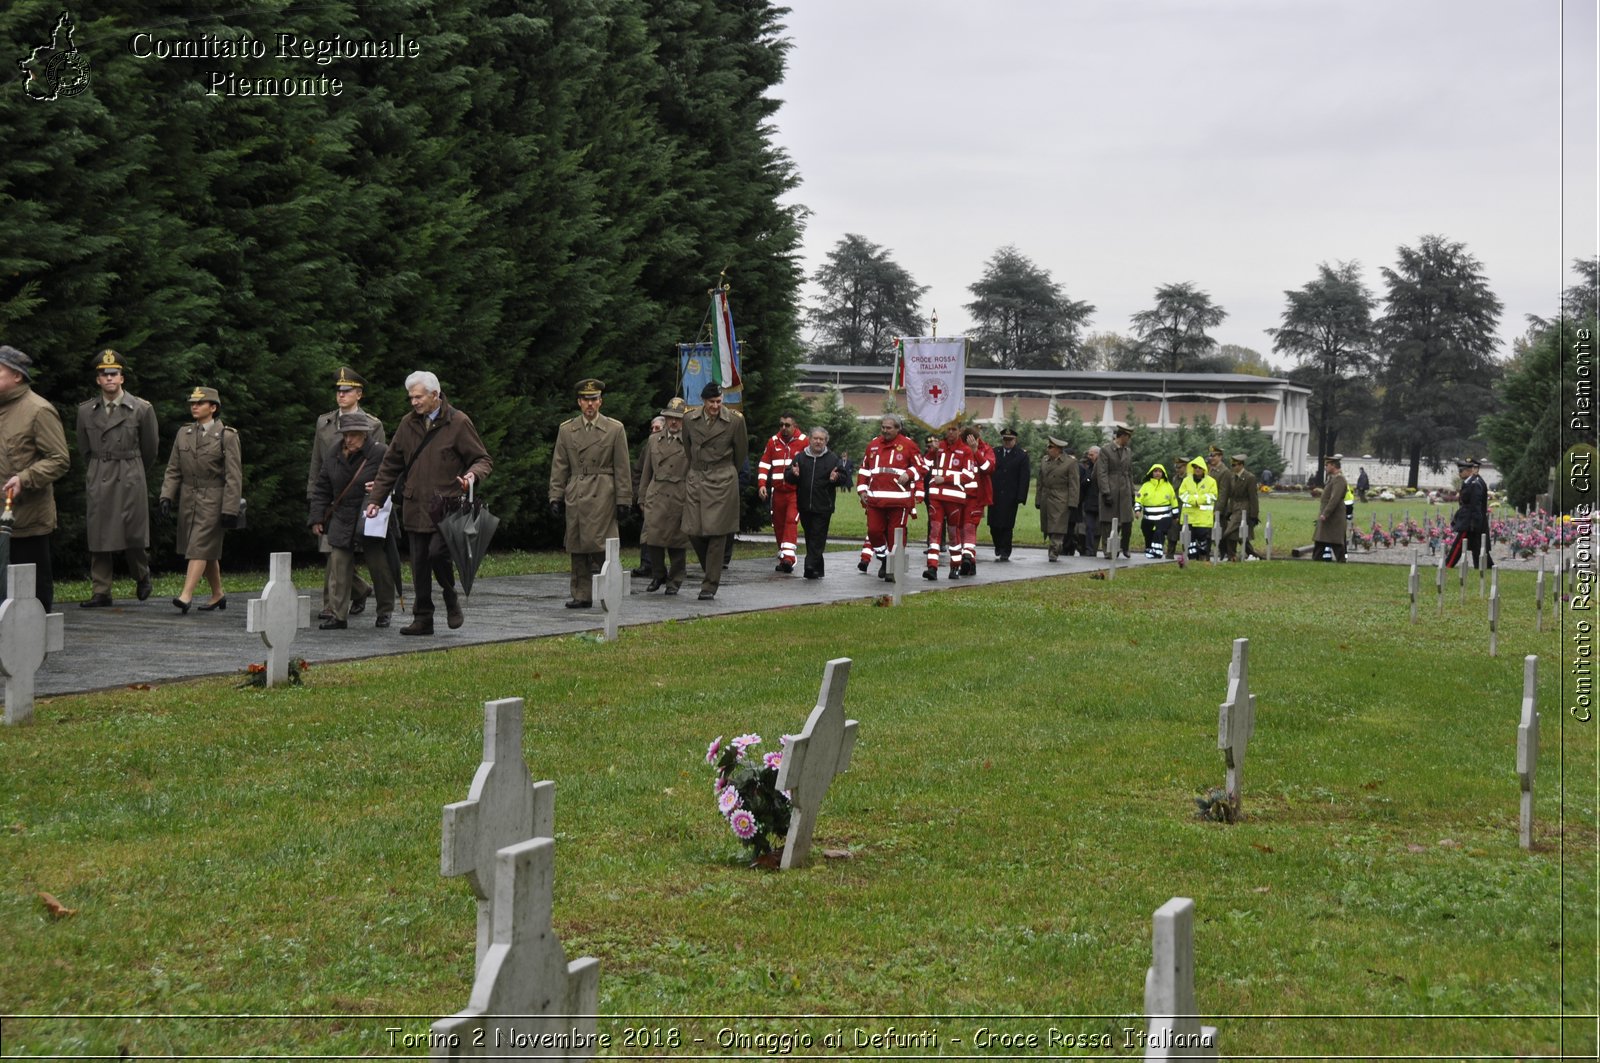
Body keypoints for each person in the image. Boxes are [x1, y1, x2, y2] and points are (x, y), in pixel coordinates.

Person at [365, 371, 493, 635]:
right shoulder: (407, 424)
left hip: (446, 507)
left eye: (418, 396)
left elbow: (483, 460)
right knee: (420, 563)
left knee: (437, 553)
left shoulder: (458, 422)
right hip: (414, 505)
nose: (413, 402)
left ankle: (450, 595)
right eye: (411, 397)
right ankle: (423, 618)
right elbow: (390, 465)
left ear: (435, 395)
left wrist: (471, 475)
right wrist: (376, 499)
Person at [76, 349, 158, 607]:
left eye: (114, 373)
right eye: (104, 374)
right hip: (100, 470)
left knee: (133, 534)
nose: (109, 378)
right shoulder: (86, 411)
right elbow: (84, 448)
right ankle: (101, 591)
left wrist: (133, 468)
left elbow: (150, 448)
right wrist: (96, 470)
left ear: (122, 378)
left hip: (130, 472)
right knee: (99, 533)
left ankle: (142, 575)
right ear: (98, 379)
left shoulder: (141, 409)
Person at [308, 367, 386, 620]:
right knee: (332, 551)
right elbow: (317, 463)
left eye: (347, 390)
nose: (341, 395)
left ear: (359, 394)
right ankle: (354, 592)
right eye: (338, 391)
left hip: (359, 499)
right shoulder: (325, 422)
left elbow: (381, 465)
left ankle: (333, 604)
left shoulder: (373, 425)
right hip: (330, 496)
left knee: (339, 553)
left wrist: (377, 496)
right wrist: (314, 499)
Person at [547, 378, 631, 609]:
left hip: (603, 492)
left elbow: (622, 468)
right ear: (579, 402)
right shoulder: (567, 430)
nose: (590, 404)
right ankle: (581, 593)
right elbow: (559, 465)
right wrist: (555, 495)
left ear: (601, 401)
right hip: (577, 490)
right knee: (577, 544)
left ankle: (609, 593)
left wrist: (624, 500)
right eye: (586, 400)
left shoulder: (615, 429)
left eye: (594, 399)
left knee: (602, 547)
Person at [159, 386, 242, 613]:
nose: (194, 406)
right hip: (189, 498)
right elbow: (174, 468)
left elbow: (234, 476)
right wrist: (167, 495)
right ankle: (217, 594)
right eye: (192, 403)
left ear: (213, 408)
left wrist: (230, 509)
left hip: (214, 498)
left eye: (200, 403)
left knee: (198, 547)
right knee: (206, 550)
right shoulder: (184, 433)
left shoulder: (227, 436)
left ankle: (186, 596)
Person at [0, 345, 70, 611]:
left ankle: (35, 645)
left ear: (17, 376)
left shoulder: (38, 410)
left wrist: (25, 478)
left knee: (32, 596)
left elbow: (60, 459)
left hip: (27, 520)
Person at [681, 381, 747, 600]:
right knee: (692, 530)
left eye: (719, 401)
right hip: (697, 477)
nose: (716, 406)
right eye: (712, 402)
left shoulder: (735, 422)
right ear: (703, 401)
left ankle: (709, 585)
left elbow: (740, 454)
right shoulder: (689, 419)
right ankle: (710, 568)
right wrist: (698, 470)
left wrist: (726, 473)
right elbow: (688, 449)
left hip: (722, 480)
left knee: (717, 534)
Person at [856, 414, 922, 579]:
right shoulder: (872, 445)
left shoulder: (908, 445)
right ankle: (884, 559)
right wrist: (862, 490)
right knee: (874, 532)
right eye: (883, 427)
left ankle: (892, 570)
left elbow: (921, 467)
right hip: (875, 500)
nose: (885, 430)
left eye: (889, 428)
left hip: (898, 502)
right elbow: (864, 470)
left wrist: (909, 473)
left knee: (895, 536)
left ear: (898, 429)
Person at [638, 399, 689, 594]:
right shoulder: (654, 440)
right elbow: (646, 471)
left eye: (677, 418)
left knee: (677, 542)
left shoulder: (689, 441)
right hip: (656, 494)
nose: (673, 422)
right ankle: (658, 574)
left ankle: (674, 581)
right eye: (670, 418)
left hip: (679, 495)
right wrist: (642, 497)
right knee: (652, 539)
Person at [784, 425, 847, 579]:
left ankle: (809, 566)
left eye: (821, 439)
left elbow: (845, 478)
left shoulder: (832, 459)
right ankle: (818, 569)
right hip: (804, 504)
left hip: (823, 505)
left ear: (826, 441)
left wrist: (836, 478)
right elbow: (788, 476)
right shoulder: (800, 457)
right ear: (810, 440)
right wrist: (794, 474)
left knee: (818, 536)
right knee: (811, 536)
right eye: (815, 438)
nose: (818, 442)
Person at [756, 411, 807, 573]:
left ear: (795, 426)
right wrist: (761, 484)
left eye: (787, 425)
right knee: (778, 525)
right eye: (781, 425)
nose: (783, 428)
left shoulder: (804, 441)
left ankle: (789, 558)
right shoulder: (773, 441)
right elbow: (764, 464)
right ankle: (783, 556)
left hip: (795, 492)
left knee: (791, 522)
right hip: (777, 492)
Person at [923, 423, 974, 580]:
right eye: (948, 429)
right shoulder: (939, 448)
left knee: (953, 533)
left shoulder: (965, 451)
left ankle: (955, 566)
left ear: (959, 431)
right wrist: (932, 451)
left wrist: (946, 479)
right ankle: (932, 566)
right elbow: (924, 466)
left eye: (954, 429)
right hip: (936, 497)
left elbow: (968, 476)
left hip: (954, 498)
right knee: (935, 531)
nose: (950, 433)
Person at [988, 427, 1029, 561]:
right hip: (994, 494)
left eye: (1010, 440)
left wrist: (1021, 496)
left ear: (1015, 440)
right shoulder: (995, 452)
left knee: (1007, 525)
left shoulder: (1021, 455)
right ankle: (998, 545)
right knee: (993, 524)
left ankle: (1005, 550)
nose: (1007, 442)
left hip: (1010, 496)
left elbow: (1024, 478)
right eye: (1005, 439)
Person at [1035, 437, 1078, 561]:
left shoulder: (1070, 463)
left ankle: (1054, 550)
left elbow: (1074, 484)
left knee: (1057, 527)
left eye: (1050, 447)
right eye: (1048, 447)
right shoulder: (1044, 461)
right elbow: (1040, 482)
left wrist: (1073, 503)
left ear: (1058, 449)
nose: (1048, 449)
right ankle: (1053, 547)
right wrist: (1038, 499)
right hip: (1046, 498)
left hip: (1061, 499)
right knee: (1049, 526)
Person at [1446, 457, 1494, 569]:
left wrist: (1473, 523)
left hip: (1470, 521)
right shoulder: (1469, 482)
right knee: (1477, 546)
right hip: (1469, 520)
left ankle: (1448, 564)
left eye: (1461, 471)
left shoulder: (1475, 484)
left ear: (1468, 471)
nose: (1459, 473)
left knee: (1458, 545)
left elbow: (1475, 506)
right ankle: (1486, 566)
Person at [1095, 424, 1135, 558]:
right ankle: (1109, 549)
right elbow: (1102, 473)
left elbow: (1129, 473)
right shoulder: (1106, 450)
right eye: (1127, 437)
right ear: (1122, 436)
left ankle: (1124, 547)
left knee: (1126, 521)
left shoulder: (1127, 451)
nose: (1128, 440)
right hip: (1111, 489)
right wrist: (1106, 492)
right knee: (1108, 522)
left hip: (1125, 490)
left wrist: (1132, 492)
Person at [960, 425, 995, 573]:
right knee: (960, 528)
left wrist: (975, 452)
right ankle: (969, 561)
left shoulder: (985, 449)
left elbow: (989, 468)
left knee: (970, 526)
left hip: (977, 497)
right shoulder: (959, 449)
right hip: (959, 495)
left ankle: (967, 555)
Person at [632, 415, 664, 577]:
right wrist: (640, 495)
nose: (653, 431)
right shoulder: (648, 447)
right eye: (652, 428)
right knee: (647, 531)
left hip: (671, 496)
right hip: (651, 494)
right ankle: (647, 564)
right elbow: (640, 472)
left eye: (657, 428)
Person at [1218, 453, 1262, 561]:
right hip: (1234, 508)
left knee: (1228, 532)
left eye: (1235, 465)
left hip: (1244, 509)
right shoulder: (1232, 477)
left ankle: (1229, 554)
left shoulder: (1249, 477)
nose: (1233, 467)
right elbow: (1231, 496)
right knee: (1236, 535)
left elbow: (1253, 497)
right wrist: (1228, 511)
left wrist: (1254, 515)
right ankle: (1233, 556)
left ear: (1241, 465)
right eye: (1232, 465)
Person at [1178, 456, 1217, 561]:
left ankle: (1202, 558)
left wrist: (1198, 500)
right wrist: (1193, 500)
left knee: (1203, 543)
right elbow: (1182, 494)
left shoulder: (1211, 481)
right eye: (1195, 467)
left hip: (1203, 519)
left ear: (1204, 468)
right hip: (1189, 518)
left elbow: (1213, 496)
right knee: (1189, 542)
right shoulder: (1186, 480)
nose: (1197, 469)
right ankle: (1191, 559)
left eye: (1200, 467)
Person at [1135, 463, 1178, 559]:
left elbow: (1174, 501)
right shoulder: (1146, 486)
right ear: (1151, 473)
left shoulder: (1168, 486)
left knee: (1159, 532)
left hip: (1164, 517)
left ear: (1163, 473)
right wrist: (1137, 510)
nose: (1157, 473)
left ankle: (1158, 552)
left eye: (1160, 471)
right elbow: (1138, 499)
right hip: (1148, 518)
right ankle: (1150, 550)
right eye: (1155, 471)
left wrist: (1176, 516)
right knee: (1148, 534)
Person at [1313, 455, 1348, 562]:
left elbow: (1335, 498)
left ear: (1333, 466)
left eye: (1327, 465)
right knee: (1321, 540)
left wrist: (1325, 513)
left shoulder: (1339, 479)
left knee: (1335, 541)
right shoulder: (1333, 479)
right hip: (1330, 517)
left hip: (1333, 517)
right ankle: (1316, 561)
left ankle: (1341, 561)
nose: (1325, 467)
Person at [1078, 445, 1100, 557]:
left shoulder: (1103, 468)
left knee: (1099, 530)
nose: (1089, 457)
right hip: (1090, 503)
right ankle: (1089, 550)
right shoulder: (1088, 468)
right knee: (1089, 528)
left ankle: (1094, 549)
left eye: (1091, 455)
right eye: (1089, 454)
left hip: (1102, 504)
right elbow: (1083, 484)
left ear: (1098, 454)